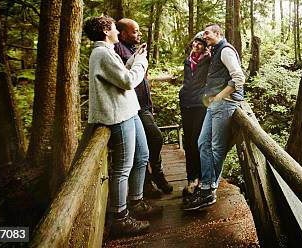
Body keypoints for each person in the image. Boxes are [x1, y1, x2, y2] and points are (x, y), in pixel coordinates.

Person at [83, 15, 161, 238]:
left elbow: (120, 75)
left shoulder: (107, 52)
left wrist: (134, 59)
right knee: (123, 168)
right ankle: (120, 218)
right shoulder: (101, 52)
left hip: (129, 110)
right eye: (113, 27)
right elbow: (127, 81)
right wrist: (142, 62)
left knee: (142, 156)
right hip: (118, 116)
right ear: (106, 31)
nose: (117, 30)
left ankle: (136, 202)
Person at [184, 24, 245, 211]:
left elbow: (239, 78)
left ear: (218, 33)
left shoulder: (225, 50)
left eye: (207, 33)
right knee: (203, 143)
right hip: (214, 104)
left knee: (217, 147)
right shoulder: (215, 50)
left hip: (224, 103)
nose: (204, 36)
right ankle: (207, 186)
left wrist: (220, 96)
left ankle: (208, 190)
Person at [114, 18, 173, 196]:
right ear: (123, 33)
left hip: (144, 104)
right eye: (135, 31)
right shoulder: (118, 50)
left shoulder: (132, 49)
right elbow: (127, 78)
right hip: (134, 107)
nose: (139, 34)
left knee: (150, 141)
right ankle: (150, 179)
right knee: (154, 138)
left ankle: (154, 176)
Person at [178, 31, 211, 198]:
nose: (196, 46)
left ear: (205, 46)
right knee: (188, 142)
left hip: (200, 104)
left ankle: (201, 179)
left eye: (200, 43)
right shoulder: (188, 59)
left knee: (197, 141)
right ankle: (191, 178)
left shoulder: (209, 59)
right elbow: (187, 80)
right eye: (195, 42)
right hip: (186, 103)